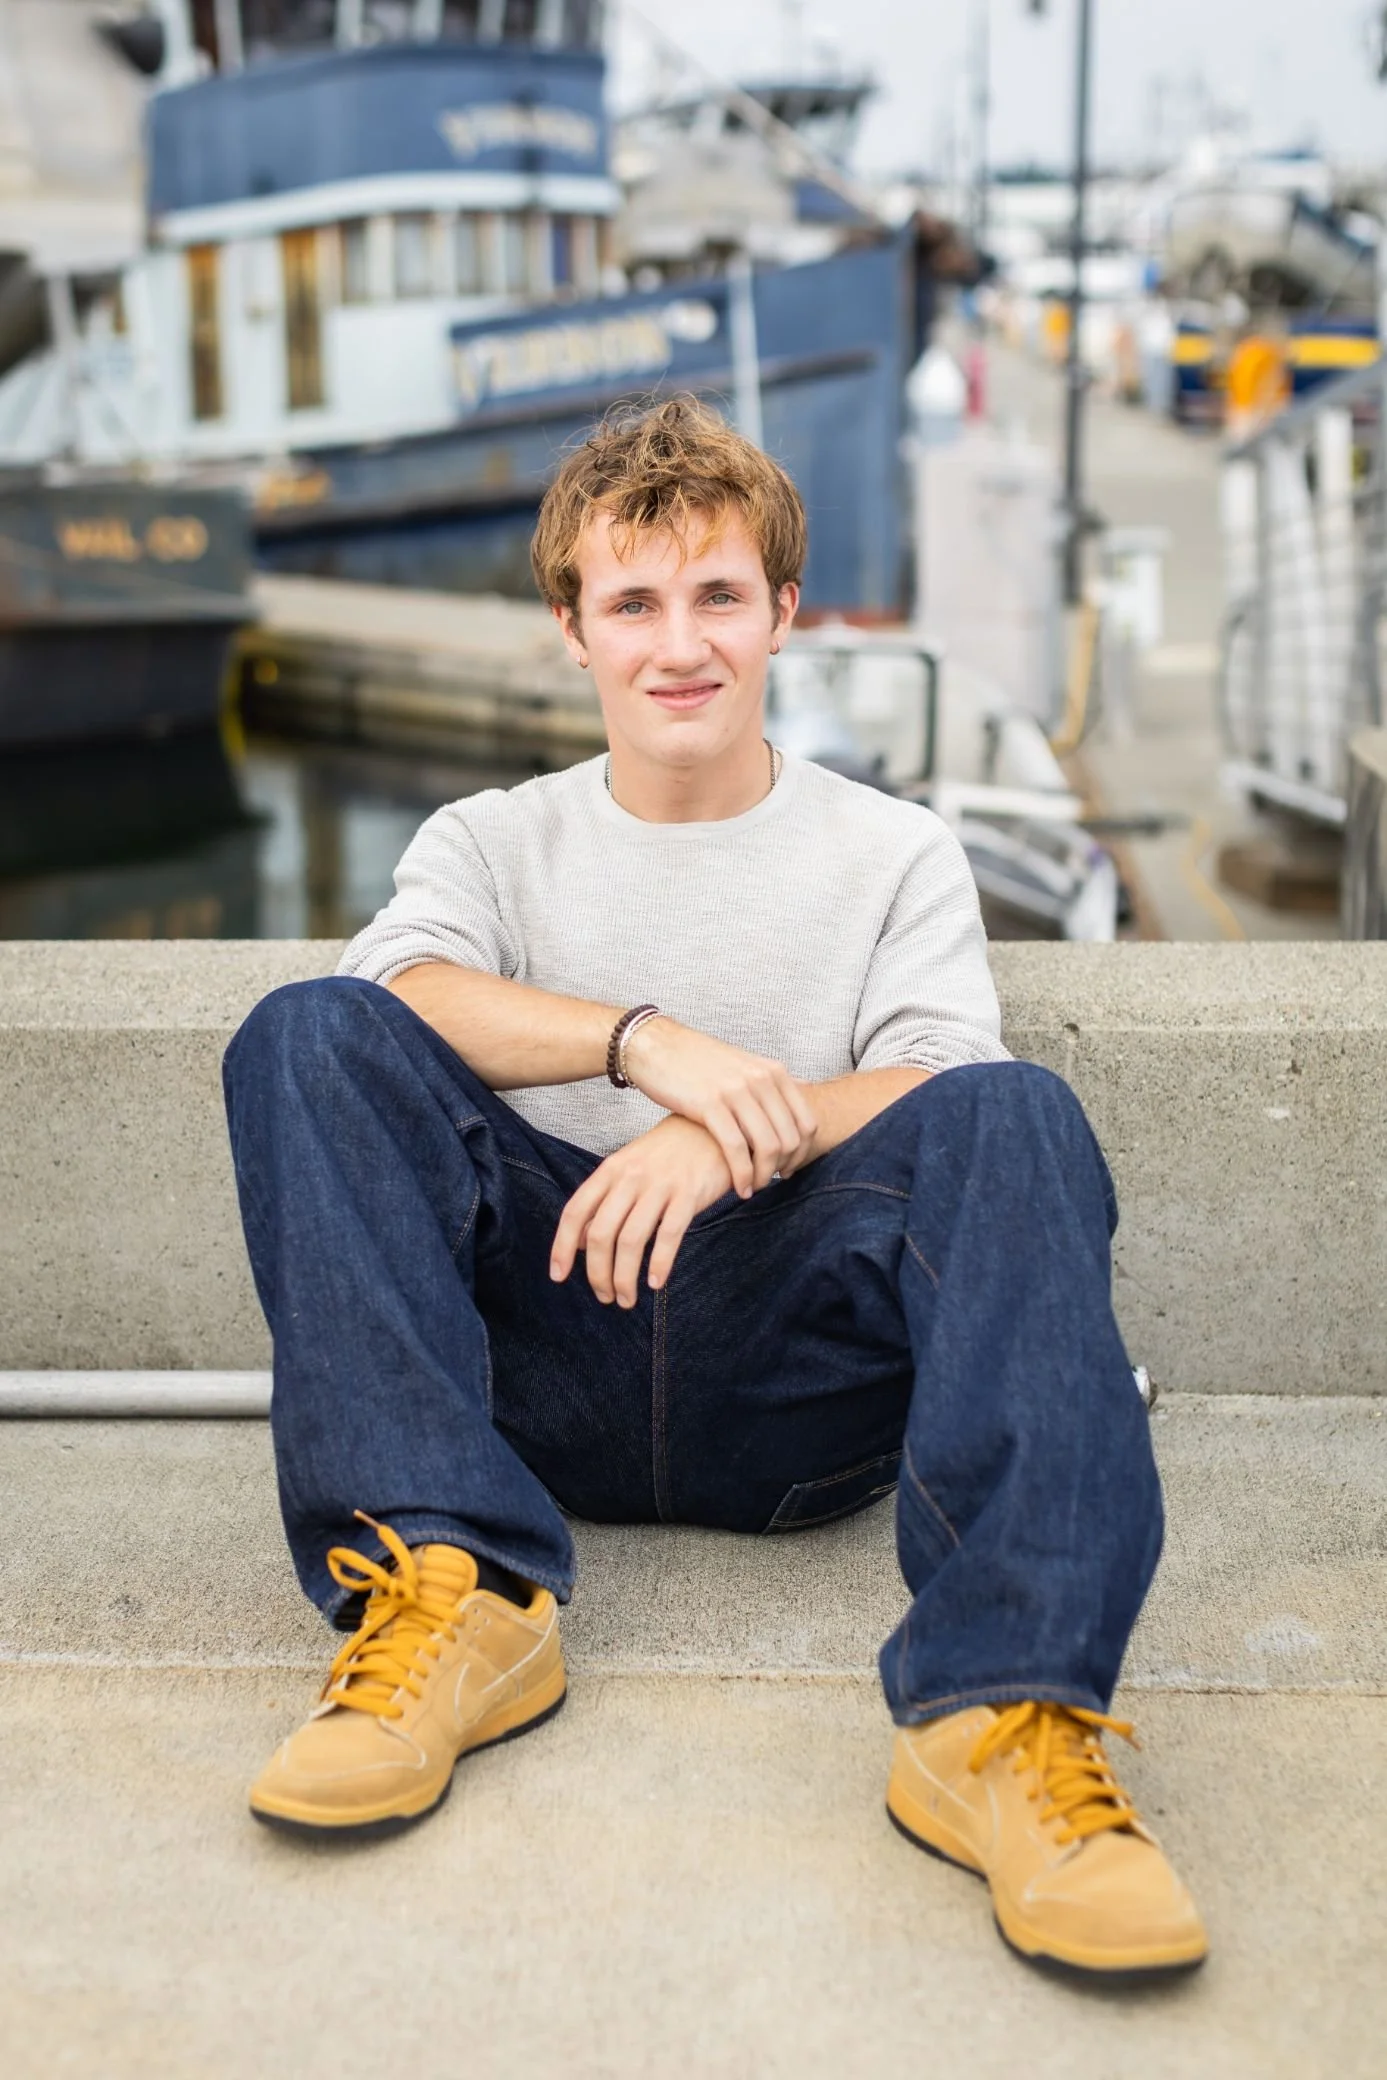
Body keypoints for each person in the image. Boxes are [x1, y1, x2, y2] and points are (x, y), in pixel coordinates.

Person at [223, 394, 1207, 1982]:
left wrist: (736, 1133)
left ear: (781, 616)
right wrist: (644, 1050)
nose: (677, 644)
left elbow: (939, 1082)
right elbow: (398, 994)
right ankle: (454, 1598)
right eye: (633, 603)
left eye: (716, 598)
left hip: (792, 1380)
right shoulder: (493, 837)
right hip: (540, 1360)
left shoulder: (891, 851)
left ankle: (1000, 1711)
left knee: (1012, 1113)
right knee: (308, 1033)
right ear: (573, 628)